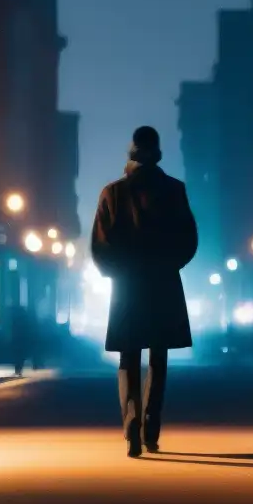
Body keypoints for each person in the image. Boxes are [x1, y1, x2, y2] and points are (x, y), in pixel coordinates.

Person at [89, 125, 199, 457]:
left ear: (131, 155)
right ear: (158, 153)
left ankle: (132, 424)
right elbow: (188, 239)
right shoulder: (174, 190)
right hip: (163, 283)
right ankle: (151, 424)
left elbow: (100, 244)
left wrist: (116, 272)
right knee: (159, 357)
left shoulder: (112, 193)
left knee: (128, 357)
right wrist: (170, 264)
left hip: (127, 286)